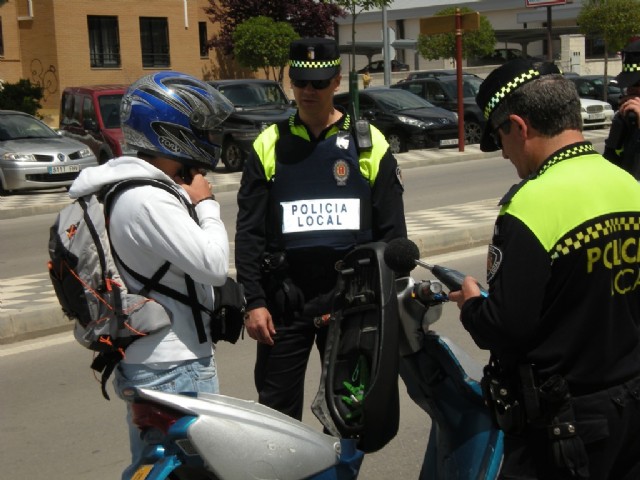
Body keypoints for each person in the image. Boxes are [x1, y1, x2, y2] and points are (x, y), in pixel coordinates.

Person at [448, 59, 640, 479]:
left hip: (566, 426)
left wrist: (472, 304)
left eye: (500, 136)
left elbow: (506, 327)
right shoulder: (629, 186)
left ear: (519, 126)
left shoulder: (530, 206)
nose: (503, 152)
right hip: (631, 406)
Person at [68, 71, 234, 480]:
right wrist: (206, 204)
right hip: (173, 365)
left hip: (153, 359)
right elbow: (213, 265)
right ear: (169, 131)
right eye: (198, 128)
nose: (207, 138)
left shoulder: (129, 187)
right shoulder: (147, 199)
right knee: (187, 472)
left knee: (155, 467)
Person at [235, 37, 407, 420]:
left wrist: (391, 301)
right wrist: (255, 302)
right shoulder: (270, 144)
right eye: (300, 83)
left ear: (337, 82)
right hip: (285, 302)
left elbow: (393, 233)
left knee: (352, 413)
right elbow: (249, 234)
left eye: (318, 82)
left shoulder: (368, 144)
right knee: (276, 418)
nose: (308, 91)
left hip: (351, 301)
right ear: (291, 83)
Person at [604, 39, 640, 179]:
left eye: (637, 85)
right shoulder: (629, 120)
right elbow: (610, 166)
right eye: (629, 88)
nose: (631, 93)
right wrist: (620, 126)